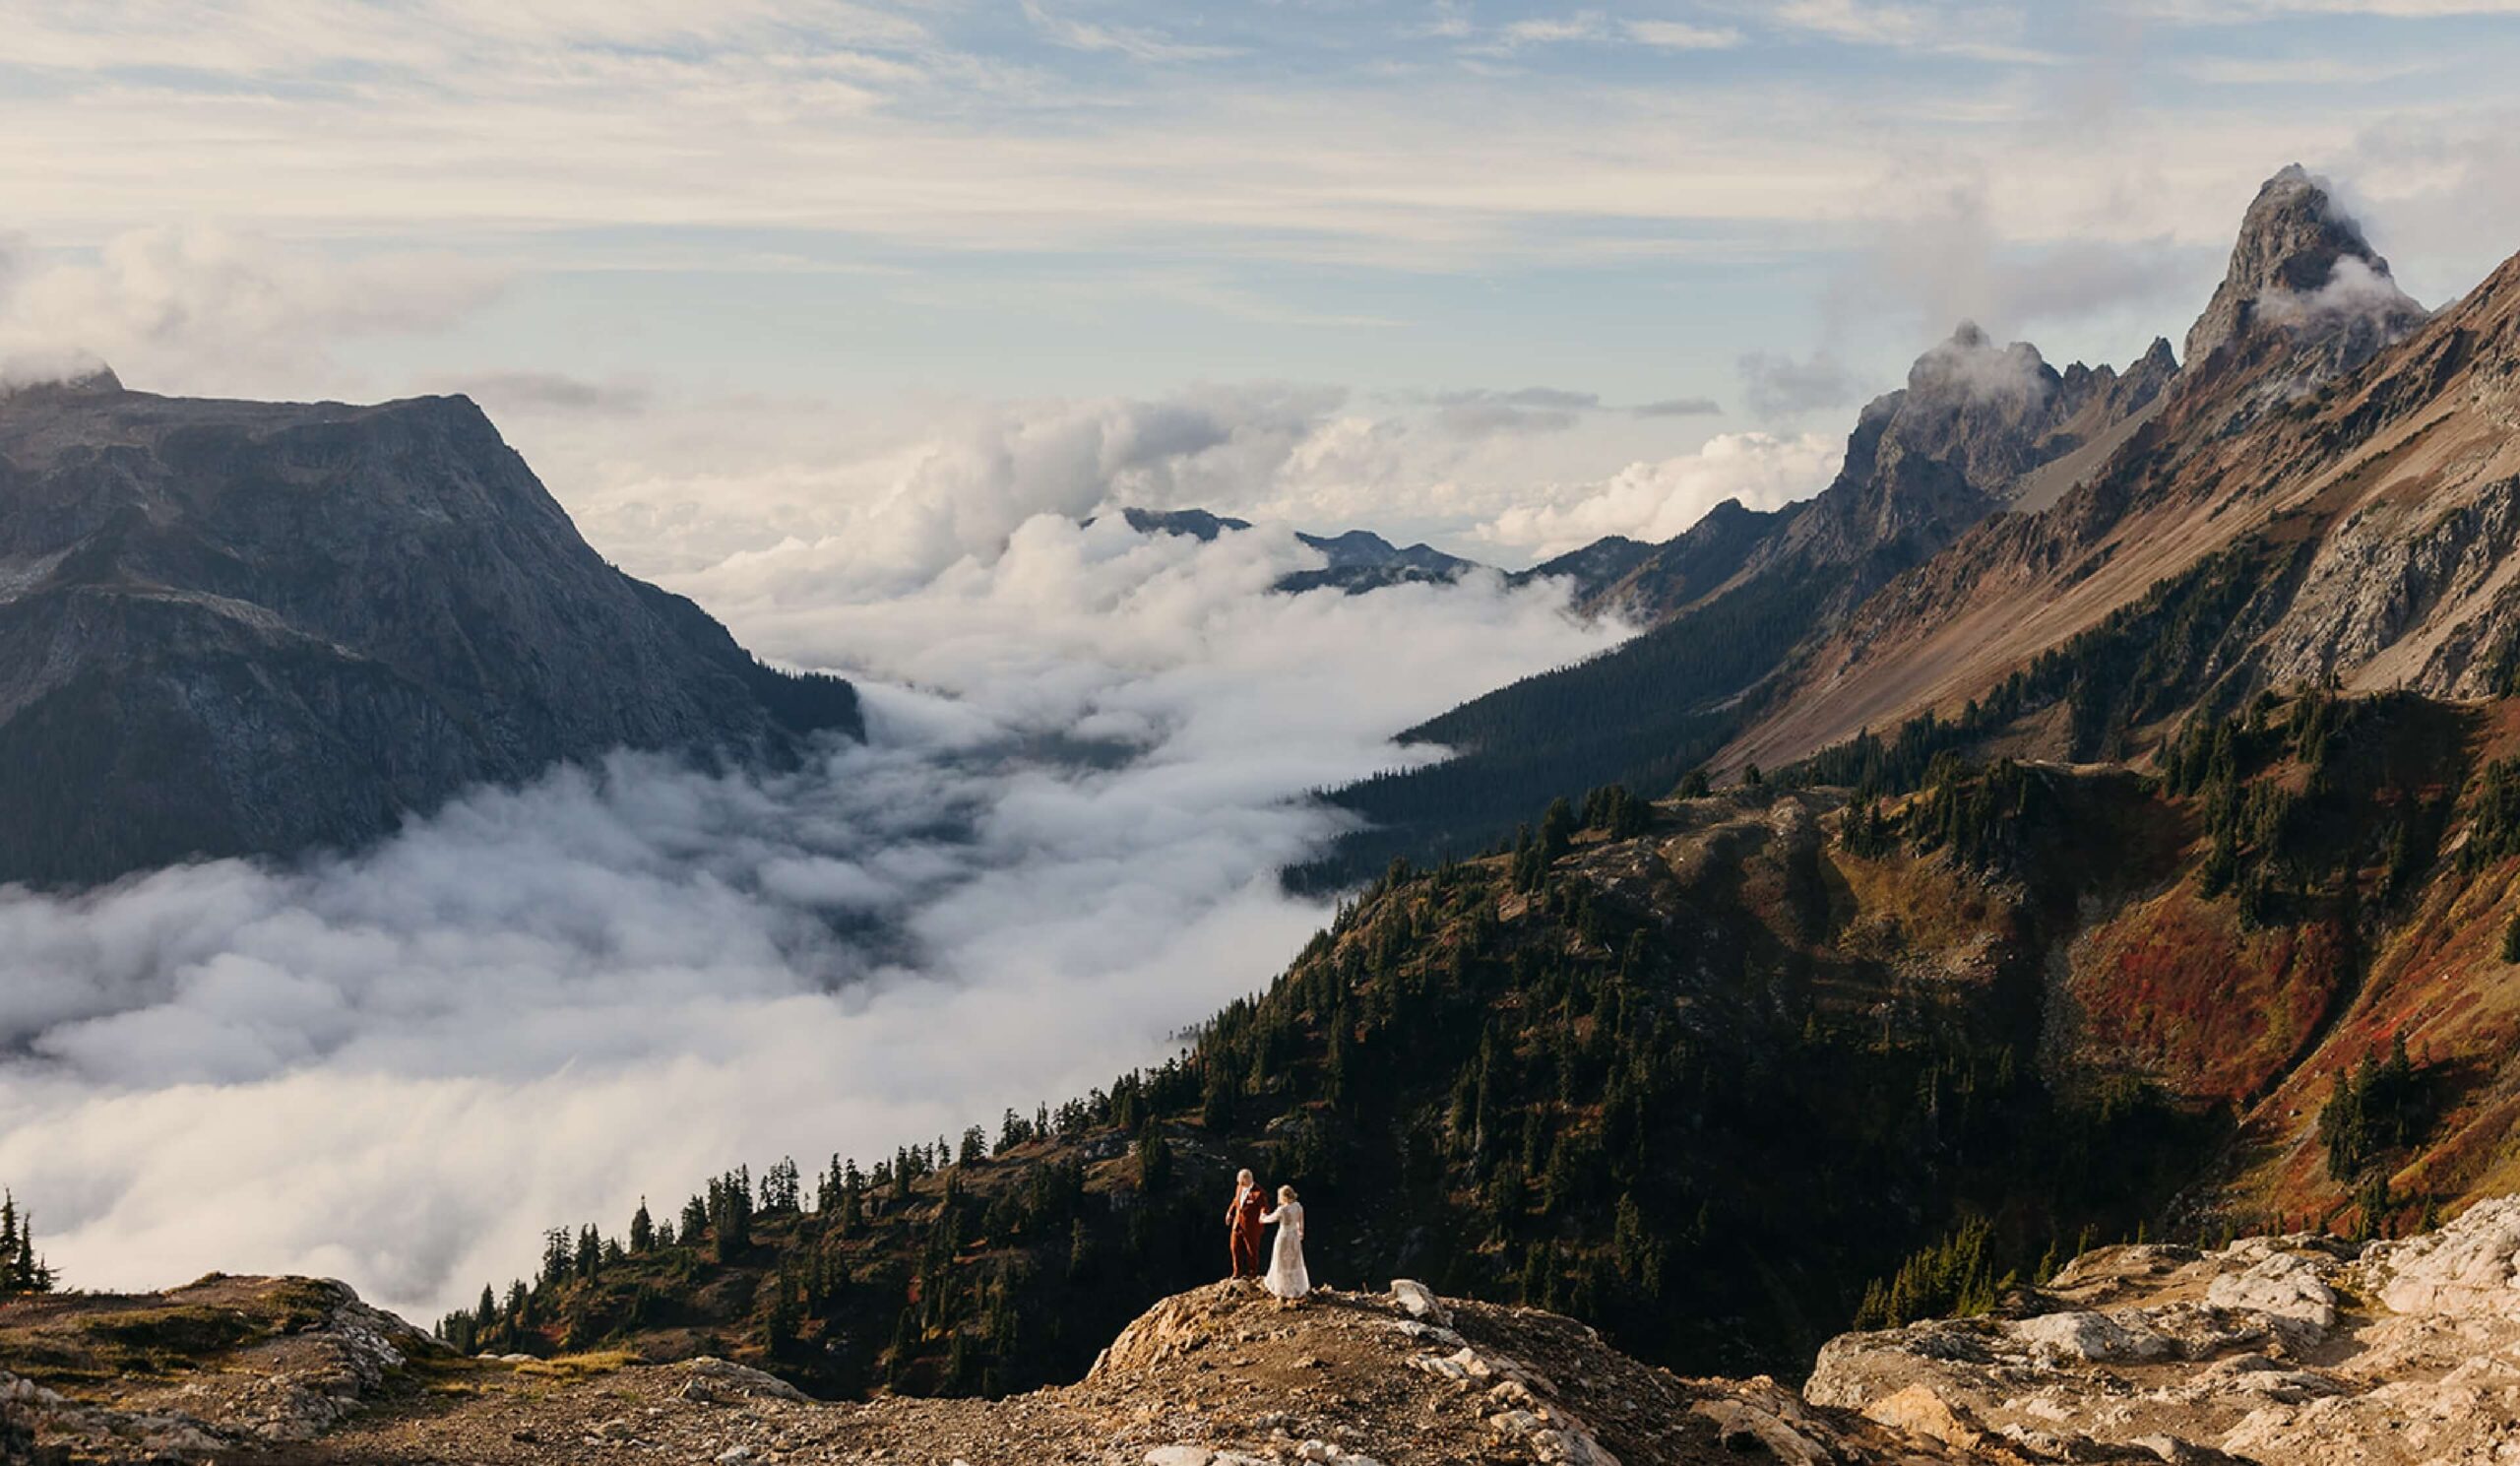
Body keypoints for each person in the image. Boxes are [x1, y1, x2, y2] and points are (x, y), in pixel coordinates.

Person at [1261, 1184, 1309, 1306]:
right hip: (1294, 1237)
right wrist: (1300, 1232)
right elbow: (1301, 1222)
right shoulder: (1298, 1206)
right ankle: (1295, 1288)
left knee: (1281, 1261)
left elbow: (1270, 1219)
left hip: (1284, 1236)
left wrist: (1262, 1217)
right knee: (1294, 1262)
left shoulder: (1282, 1210)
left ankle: (1282, 1290)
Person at [1226, 1169, 1267, 1281]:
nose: (1239, 1183)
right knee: (1234, 1247)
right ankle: (1236, 1271)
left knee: (1251, 1250)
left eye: (1241, 1181)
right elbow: (1236, 1200)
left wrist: (1262, 1215)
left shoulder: (1258, 1193)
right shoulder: (1239, 1188)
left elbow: (1264, 1207)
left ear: (1247, 1179)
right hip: (1237, 1224)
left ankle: (1252, 1273)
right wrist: (1230, 1212)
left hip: (1251, 1227)